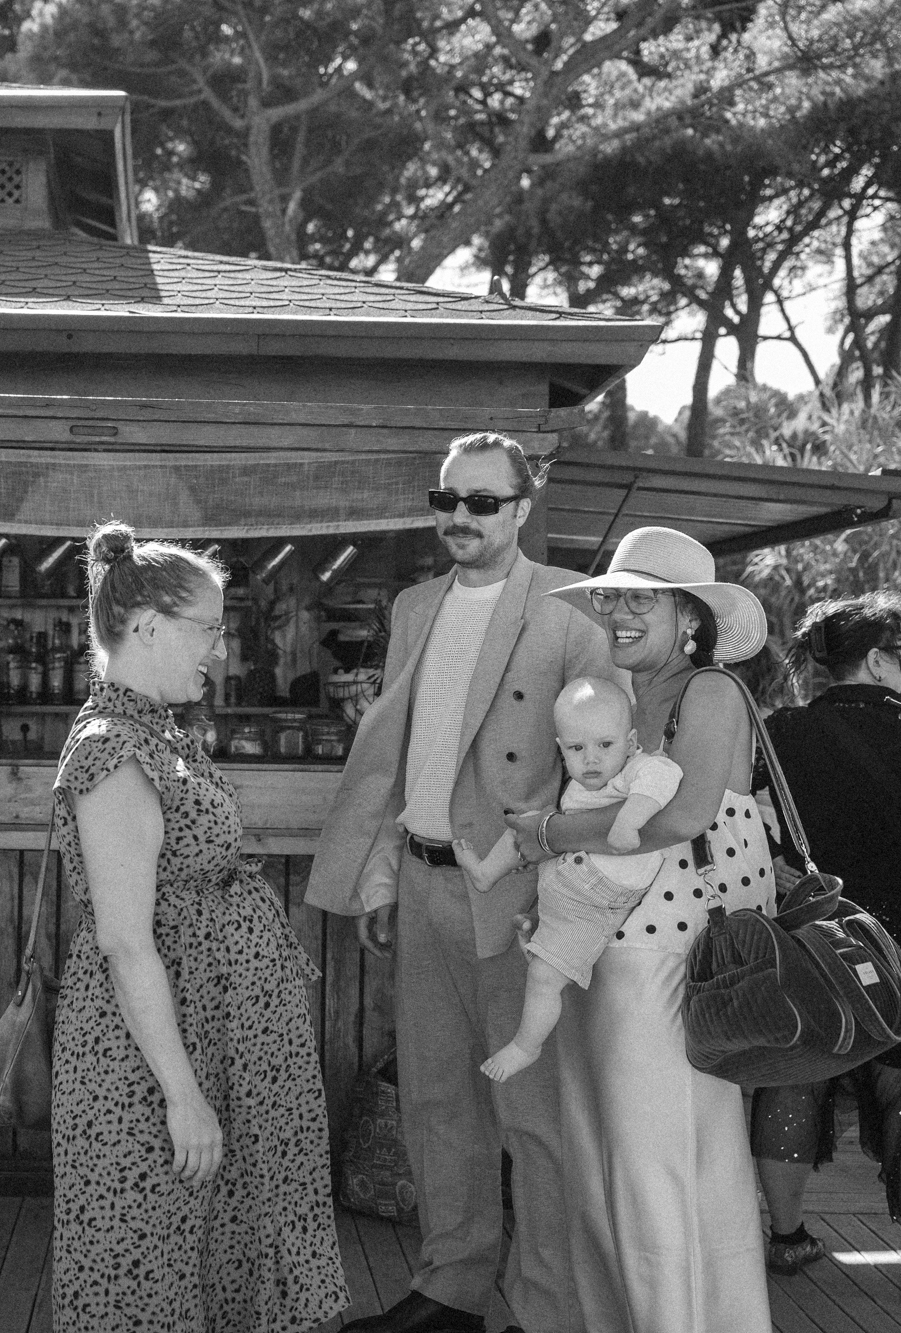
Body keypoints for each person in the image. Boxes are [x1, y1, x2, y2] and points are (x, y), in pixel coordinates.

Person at [308, 431, 612, 1333]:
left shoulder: (571, 610)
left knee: (534, 1113)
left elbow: (601, 772)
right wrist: (378, 879)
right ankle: (451, 1289)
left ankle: (547, 1310)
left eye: (483, 501)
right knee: (437, 1102)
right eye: (447, 499)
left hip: (523, 894)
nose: (461, 517)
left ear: (523, 506)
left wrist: (559, 890)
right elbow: (398, 759)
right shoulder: (413, 605)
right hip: (422, 876)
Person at [50, 520, 346, 1333]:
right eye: (209, 628)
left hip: (208, 1031)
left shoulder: (154, 729)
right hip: (156, 1060)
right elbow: (124, 941)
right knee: (148, 1259)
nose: (220, 648)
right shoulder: (113, 748)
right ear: (148, 626)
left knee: (205, 1254)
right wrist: (184, 1096)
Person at [505, 524, 775, 1332]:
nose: (619, 613)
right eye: (613, 597)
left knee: (655, 1162)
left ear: (689, 615)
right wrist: (557, 895)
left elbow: (681, 816)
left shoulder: (710, 692)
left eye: (641, 600)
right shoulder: (622, 699)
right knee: (600, 1162)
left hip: (671, 958)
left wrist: (548, 833)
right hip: (604, 953)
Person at [747, 592, 901, 1303]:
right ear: (881, 660)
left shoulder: (783, 729)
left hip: (816, 925)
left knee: (795, 1074)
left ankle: (787, 1237)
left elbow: (725, 804)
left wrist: (775, 861)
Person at [458, 676, 682, 1081]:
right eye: (577, 749)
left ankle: (526, 1046)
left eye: (605, 745)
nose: (591, 760)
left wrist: (629, 820)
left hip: (595, 903)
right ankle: (486, 873)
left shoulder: (635, 770)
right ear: (561, 750)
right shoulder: (581, 785)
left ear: (630, 743)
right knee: (527, 825)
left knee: (543, 977)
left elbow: (664, 776)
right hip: (568, 879)